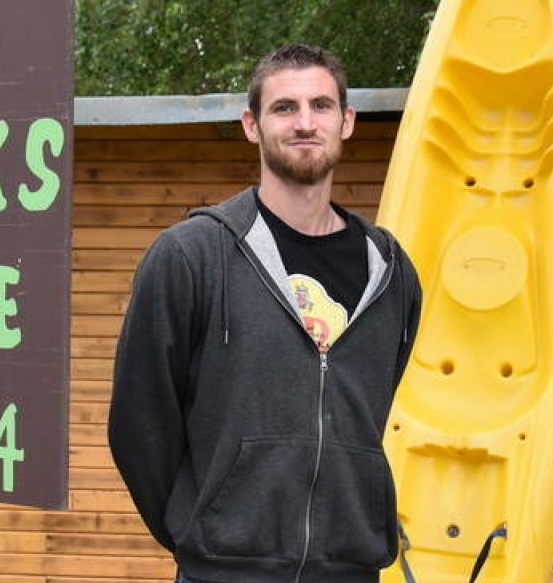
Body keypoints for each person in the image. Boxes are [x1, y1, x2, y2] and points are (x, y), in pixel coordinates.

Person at [108, 44, 423, 583]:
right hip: (225, 571)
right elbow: (140, 425)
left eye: (321, 106)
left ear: (346, 122)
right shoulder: (193, 257)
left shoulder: (390, 271)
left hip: (351, 569)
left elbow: (371, 403)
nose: (305, 122)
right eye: (284, 108)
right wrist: (202, 530)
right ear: (252, 125)